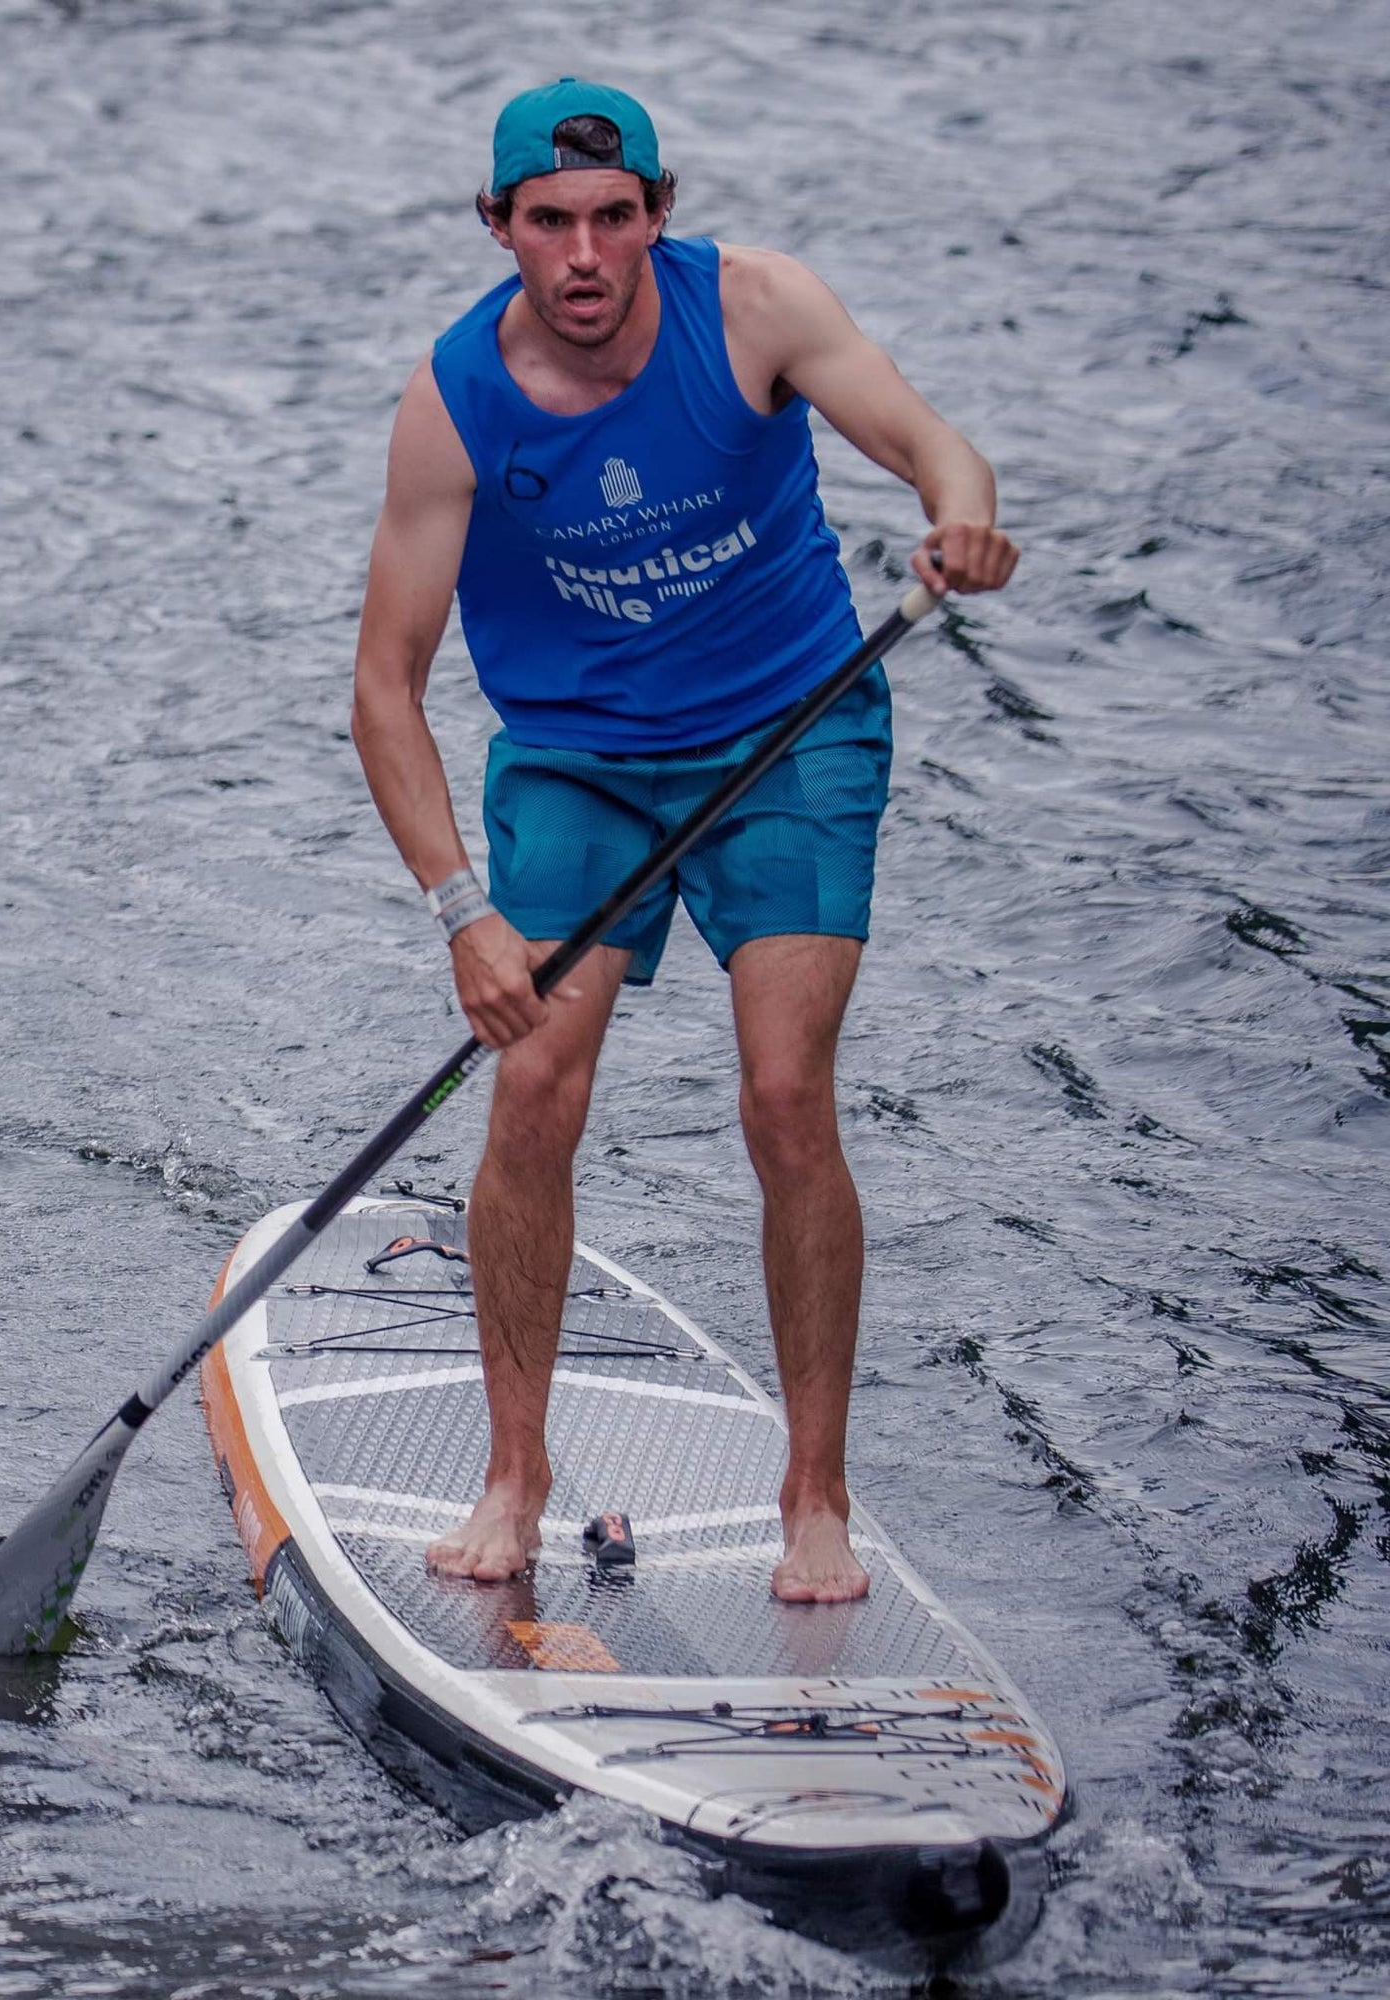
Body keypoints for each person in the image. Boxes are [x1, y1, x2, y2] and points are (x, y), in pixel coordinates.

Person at [351, 78, 1018, 1603]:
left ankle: (814, 1501)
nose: (585, 253)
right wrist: (465, 914)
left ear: (658, 210)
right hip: (582, 764)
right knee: (534, 1084)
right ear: (501, 228)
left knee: (786, 1094)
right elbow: (383, 692)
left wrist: (963, 520)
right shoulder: (455, 401)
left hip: (793, 736)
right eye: (549, 222)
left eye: (614, 217)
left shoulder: (759, 309)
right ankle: (513, 1482)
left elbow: (936, 449)